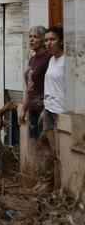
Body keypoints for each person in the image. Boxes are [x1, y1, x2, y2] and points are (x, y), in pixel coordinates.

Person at [39, 26, 65, 192]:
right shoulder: (51, 60)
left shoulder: (66, 60)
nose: (48, 43)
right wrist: (44, 109)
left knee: (57, 150)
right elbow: (49, 88)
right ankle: (48, 183)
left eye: (52, 39)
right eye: (46, 40)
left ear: (61, 41)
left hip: (60, 111)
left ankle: (59, 186)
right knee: (46, 145)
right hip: (49, 109)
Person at [19, 26, 52, 140]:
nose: (31, 40)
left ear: (43, 40)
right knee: (35, 146)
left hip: (43, 110)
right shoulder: (32, 59)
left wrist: (45, 110)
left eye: (35, 37)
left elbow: (52, 87)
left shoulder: (49, 58)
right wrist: (23, 108)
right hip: (32, 109)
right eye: (30, 37)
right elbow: (29, 86)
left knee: (43, 147)